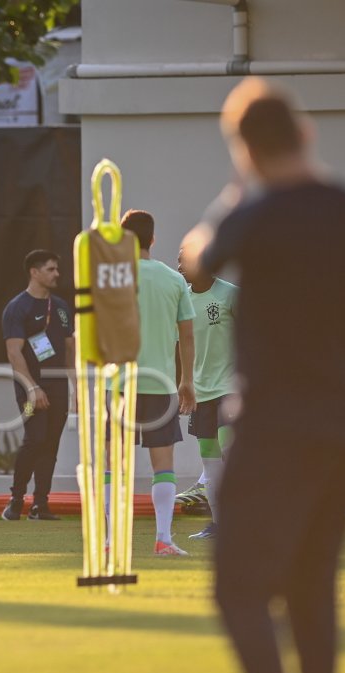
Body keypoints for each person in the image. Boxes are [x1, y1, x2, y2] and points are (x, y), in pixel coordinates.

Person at [180, 77, 345, 673]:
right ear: (305, 134)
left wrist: (234, 198)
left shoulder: (255, 210)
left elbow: (199, 261)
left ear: (244, 147)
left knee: (240, 585)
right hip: (340, 422)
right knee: (311, 589)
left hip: (272, 421)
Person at [117, 209, 196, 556]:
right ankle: (163, 539)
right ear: (153, 239)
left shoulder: (111, 278)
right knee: (163, 466)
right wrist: (187, 381)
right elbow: (188, 338)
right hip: (162, 383)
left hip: (118, 384)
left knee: (113, 466)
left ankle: (109, 542)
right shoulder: (174, 280)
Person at [0, 249, 74, 521]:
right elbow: (14, 353)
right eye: (51, 269)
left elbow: (69, 348)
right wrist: (32, 387)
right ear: (34, 272)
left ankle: (40, 504)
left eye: (57, 269)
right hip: (29, 384)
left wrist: (75, 386)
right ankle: (16, 500)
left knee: (51, 443)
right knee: (35, 439)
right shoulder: (18, 308)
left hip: (57, 385)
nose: (57, 274)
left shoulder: (62, 308)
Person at [181, 249, 238, 541]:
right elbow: (180, 346)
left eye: (183, 260)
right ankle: (219, 525)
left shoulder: (231, 295)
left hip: (231, 390)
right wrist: (184, 383)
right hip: (200, 394)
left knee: (232, 453)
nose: (178, 266)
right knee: (209, 459)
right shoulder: (182, 300)